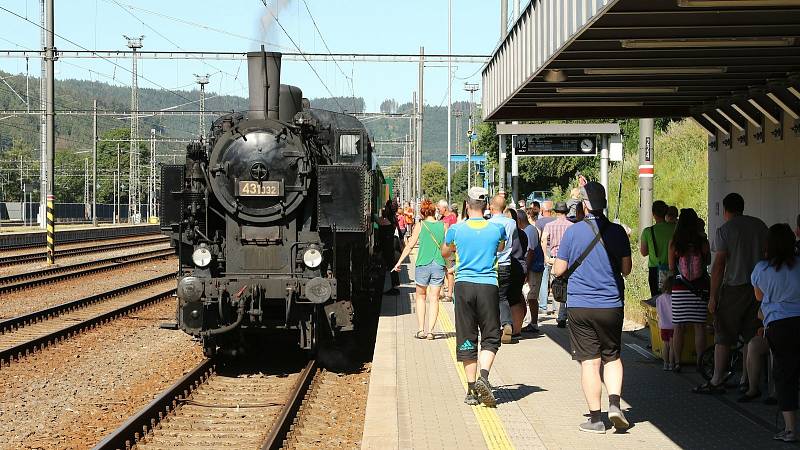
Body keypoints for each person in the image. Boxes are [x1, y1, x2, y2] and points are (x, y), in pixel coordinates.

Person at [552, 182, 632, 433]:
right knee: (612, 357)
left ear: (584, 205)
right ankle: (615, 405)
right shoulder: (617, 232)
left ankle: (596, 419)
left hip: (580, 307)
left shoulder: (573, 233)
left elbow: (559, 270)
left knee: (590, 362)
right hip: (611, 305)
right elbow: (626, 270)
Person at [695, 193, 767, 394]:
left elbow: (718, 266)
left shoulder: (725, 230)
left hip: (734, 289)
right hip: (758, 290)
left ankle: (717, 379)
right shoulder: (760, 226)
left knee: (724, 335)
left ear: (725, 210)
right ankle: (747, 379)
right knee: (751, 335)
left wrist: (713, 296)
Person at [442, 187, 506, 407]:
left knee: (467, 336)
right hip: (488, 285)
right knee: (490, 336)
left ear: (467, 205)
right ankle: (484, 378)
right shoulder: (497, 229)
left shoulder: (456, 229)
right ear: (487, 206)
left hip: (463, 286)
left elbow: (445, 252)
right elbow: (500, 247)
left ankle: (471, 391)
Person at [750, 223, 800, 443]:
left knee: (784, 375)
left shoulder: (762, 269)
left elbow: (759, 297)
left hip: (779, 326)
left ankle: (790, 430)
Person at [393, 199, 446, 340]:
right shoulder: (443, 226)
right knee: (434, 299)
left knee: (421, 297)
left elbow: (410, 246)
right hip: (439, 264)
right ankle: (431, 332)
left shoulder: (420, 225)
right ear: (434, 211)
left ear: (422, 212)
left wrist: (399, 262)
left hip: (423, 264)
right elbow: (448, 247)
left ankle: (421, 330)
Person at [668, 208, 709, 372]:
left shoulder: (675, 242)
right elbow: (707, 262)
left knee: (678, 326)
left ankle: (677, 362)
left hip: (680, 288)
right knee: (700, 326)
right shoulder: (702, 241)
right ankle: (700, 362)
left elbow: (671, 267)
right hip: (699, 288)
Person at [489, 195, 525, 343]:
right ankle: (507, 323)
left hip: (492, 264)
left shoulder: (488, 223)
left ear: (491, 207)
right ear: (505, 208)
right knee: (503, 297)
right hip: (507, 264)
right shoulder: (511, 223)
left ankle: (494, 329)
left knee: (491, 299)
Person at [541, 201, 574, 328]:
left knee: (556, 285)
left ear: (555, 212)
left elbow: (543, 239)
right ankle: (564, 314)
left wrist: (545, 255)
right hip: (569, 260)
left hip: (555, 259)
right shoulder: (571, 226)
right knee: (569, 286)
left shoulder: (550, 225)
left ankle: (558, 313)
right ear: (566, 212)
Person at [641, 200, 677, 297]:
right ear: (666, 212)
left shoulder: (648, 231)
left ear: (653, 213)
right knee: (673, 299)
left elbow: (643, 252)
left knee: (657, 301)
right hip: (674, 268)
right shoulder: (675, 228)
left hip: (655, 270)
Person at [379, 201, 401, 295]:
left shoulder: (388, 219)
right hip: (390, 244)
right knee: (392, 265)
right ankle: (394, 286)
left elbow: (380, 223)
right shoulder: (394, 218)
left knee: (389, 266)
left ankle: (392, 287)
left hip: (387, 245)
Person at [656, 279, 676, 371]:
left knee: (665, 345)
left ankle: (665, 364)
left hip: (663, 325)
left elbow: (658, 311)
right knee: (672, 346)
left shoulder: (659, 299)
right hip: (673, 325)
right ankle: (672, 364)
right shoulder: (674, 298)